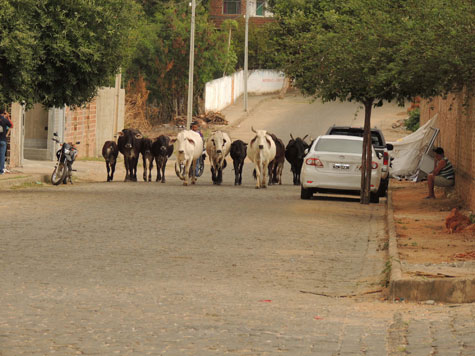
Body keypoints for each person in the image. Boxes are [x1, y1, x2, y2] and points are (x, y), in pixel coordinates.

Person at [0, 109, 13, 175]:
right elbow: (11, 125)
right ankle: (1, 171)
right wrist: (7, 134)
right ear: (3, 113)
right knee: (2, 156)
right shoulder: (5, 120)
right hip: (3, 140)